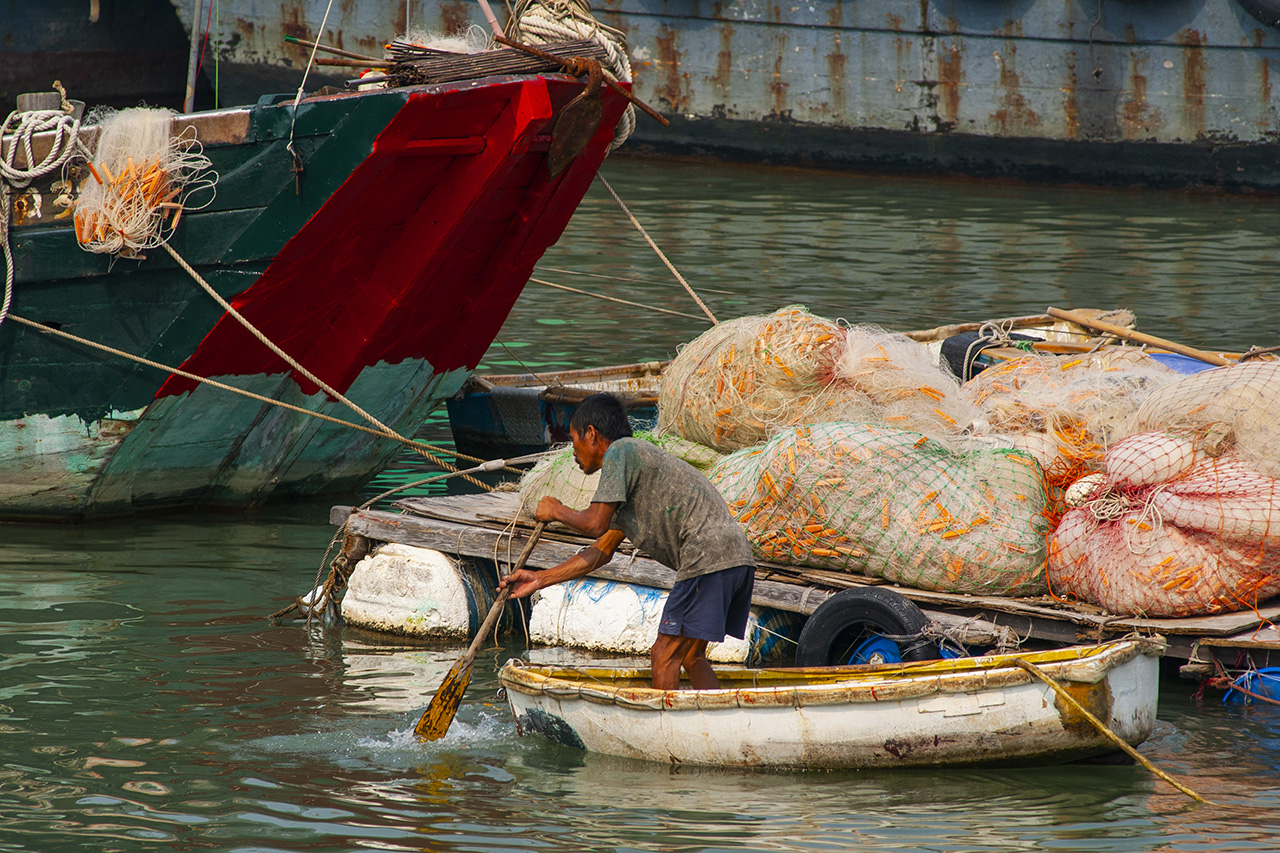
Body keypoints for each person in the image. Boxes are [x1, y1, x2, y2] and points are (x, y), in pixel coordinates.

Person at [499, 393, 756, 690]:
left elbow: (594, 524)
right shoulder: (635, 467)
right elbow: (600, 552)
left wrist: (555, 510)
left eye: (574, 440)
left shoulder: (620, 452)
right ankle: (716, 724)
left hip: (707, 558)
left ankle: (665, 734)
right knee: (689, 655)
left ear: (592, 434)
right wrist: (540, 578)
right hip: (736, 559)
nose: (573, 451)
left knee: (663, 655)